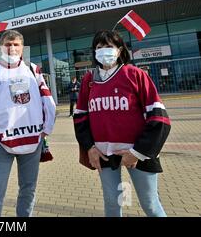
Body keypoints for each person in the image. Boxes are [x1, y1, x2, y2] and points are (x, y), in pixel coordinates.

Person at [73, 30, 171, 217]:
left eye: (109, 46)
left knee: (150, 204)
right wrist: (89, 148)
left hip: (137, 153)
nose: (104, 51)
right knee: (112, 203)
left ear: (119, 50)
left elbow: (159, 118)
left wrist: (136, 153)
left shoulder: (135, 74)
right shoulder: (89, 80)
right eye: (99, 47)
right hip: (104, 153)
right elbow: (80, 118)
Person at [0, 30, 56, 217]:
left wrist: (46, 130)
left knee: (28, 190)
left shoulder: (33, 69)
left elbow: (48, 101)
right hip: (1, 143)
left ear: (22, 48)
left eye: (16, 44)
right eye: (8, 44)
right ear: (1, 47)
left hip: (32, 141)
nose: (12, 48)